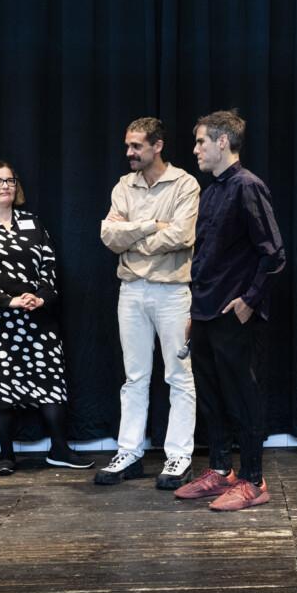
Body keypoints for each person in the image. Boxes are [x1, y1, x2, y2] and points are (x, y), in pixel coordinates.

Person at [175, 110, 285, 511]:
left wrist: (249, 300)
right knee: (212, 397)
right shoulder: (212, 190)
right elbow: (206, 257)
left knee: (243, 396)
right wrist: (194, 310)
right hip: (205, 312)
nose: (195, 150)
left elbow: (274, 254)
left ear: (223, 142)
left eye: (201, 141)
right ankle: (221, 471)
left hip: (232, 314)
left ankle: (254, 481)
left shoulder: (247, 187)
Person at [0, 161, 93, 475]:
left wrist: (41, 296)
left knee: (50, 382)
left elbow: (48, 264)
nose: (5, 186)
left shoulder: (33, 222)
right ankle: (6, 454)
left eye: (11, 181)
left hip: (36, 318)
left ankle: (59, 448)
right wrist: (9, 301)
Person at [97, 117, 200, 488]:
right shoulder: (125, 185)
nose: (129, 153)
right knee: (135, 376)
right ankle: (129, 452)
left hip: (172, 291)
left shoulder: (185, 184)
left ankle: (178, 456)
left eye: (136, 146)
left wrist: (133, 239)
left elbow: (183, 235)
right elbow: (108, 235)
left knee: (178, 375)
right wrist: (149, 227)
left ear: (157, 146)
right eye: (128, 145)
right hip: (132, 290)